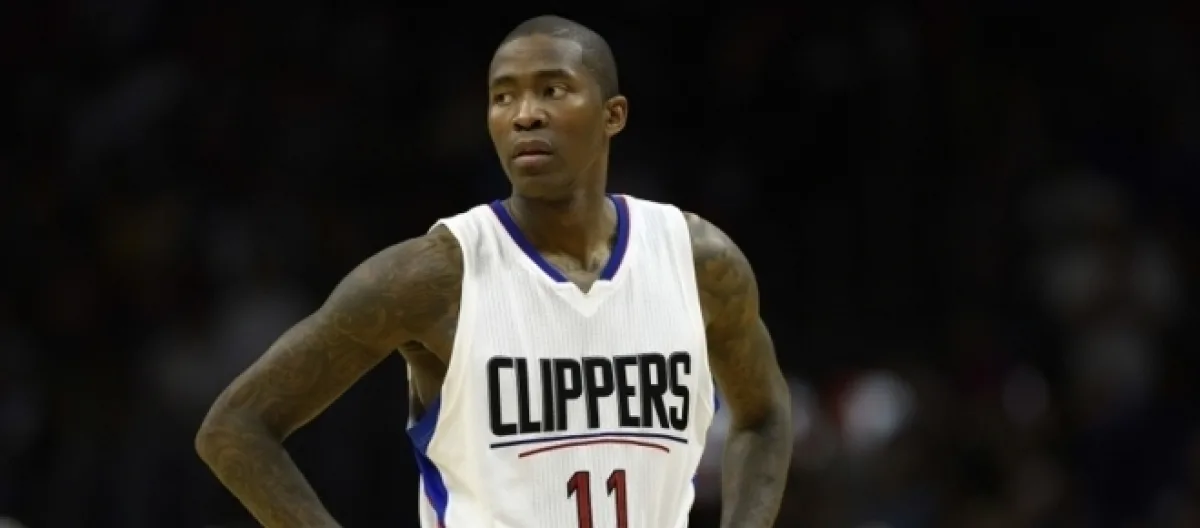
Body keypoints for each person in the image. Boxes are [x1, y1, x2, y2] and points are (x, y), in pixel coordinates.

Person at [195, 14, 792, 528]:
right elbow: (235, 427)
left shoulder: (698, 262)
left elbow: (764, 415)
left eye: (552, 90)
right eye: (503, 97)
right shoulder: (433, 277)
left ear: (613, 115)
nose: (525, 114)